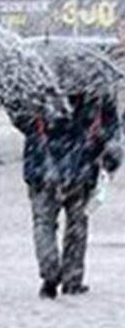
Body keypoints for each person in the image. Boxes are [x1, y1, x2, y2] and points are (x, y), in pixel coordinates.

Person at [13, 91, 121, 298]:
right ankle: (73, 279)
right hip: (81, 166)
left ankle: (50, 273)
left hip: (42, 166)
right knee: (77, 226)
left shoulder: (37, 89)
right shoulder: (96, 91)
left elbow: (22, 122)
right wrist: (110, 155)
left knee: (43, 223)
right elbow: (111, 129)